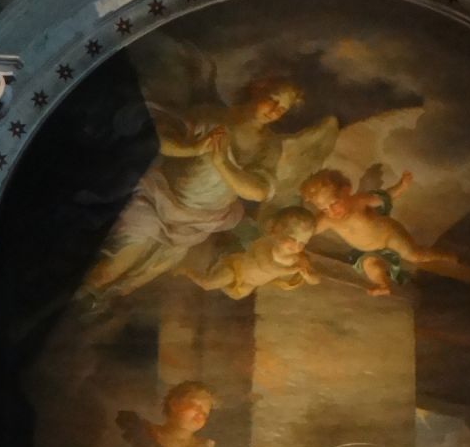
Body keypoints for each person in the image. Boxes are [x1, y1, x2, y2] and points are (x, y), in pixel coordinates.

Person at [77, 77, 306, 304]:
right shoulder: (212, 116)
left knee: (142, 275)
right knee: (112, 268)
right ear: (258, 88)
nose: (275, 110)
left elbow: (258, 191)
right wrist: (193, 148)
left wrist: (222, 162)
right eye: (273, 99)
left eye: (283, 109)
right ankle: (66, 301)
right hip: (157, 199)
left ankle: (91, 306)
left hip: (196, 222)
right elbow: (159, 140)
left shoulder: (269, 145)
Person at [300, 167, 445, 294]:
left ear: (346, 190)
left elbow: (384, 198)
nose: (331, 211)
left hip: (389, 235)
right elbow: (306, 232)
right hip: (367, 250)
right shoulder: (327, 220)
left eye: (334, 203)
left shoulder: (359, 201)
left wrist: (401, 186)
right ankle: (383, 286)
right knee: (370, 266)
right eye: (324, 208)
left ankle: (446, 255)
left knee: (415, 255)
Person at [188, 206, 320, 299]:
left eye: (303, 243)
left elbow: (316, 280)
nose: (296, 246)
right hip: (236, 269)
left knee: (232, 294)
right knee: (208, 284)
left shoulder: (298, 258)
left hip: (250, 284)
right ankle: (185, 270)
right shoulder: (267, 245)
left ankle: (216, 254)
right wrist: (290, 270)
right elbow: (266, 266)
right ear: (276, 230)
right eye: (292, 239)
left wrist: (308, 275)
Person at [117, 381, 216, 447]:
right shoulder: (142, 433)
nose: (201, 414)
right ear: (174, 404)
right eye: (196, 406)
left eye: (206, 412)